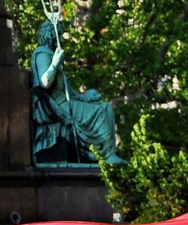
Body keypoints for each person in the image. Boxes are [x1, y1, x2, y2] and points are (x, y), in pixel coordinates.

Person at [31, 19, 123, 164]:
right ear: (51, 35)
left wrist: (84, 96)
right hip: (56, 105)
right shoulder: (43, 54)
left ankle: (106, 153)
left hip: (65, 101)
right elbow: (45, 82)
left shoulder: (51, 53)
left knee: (106, 107)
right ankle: (103, 154)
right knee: (99, 112)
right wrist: (55, 63)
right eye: (59, 35)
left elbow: (67, 89)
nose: (61, 38)